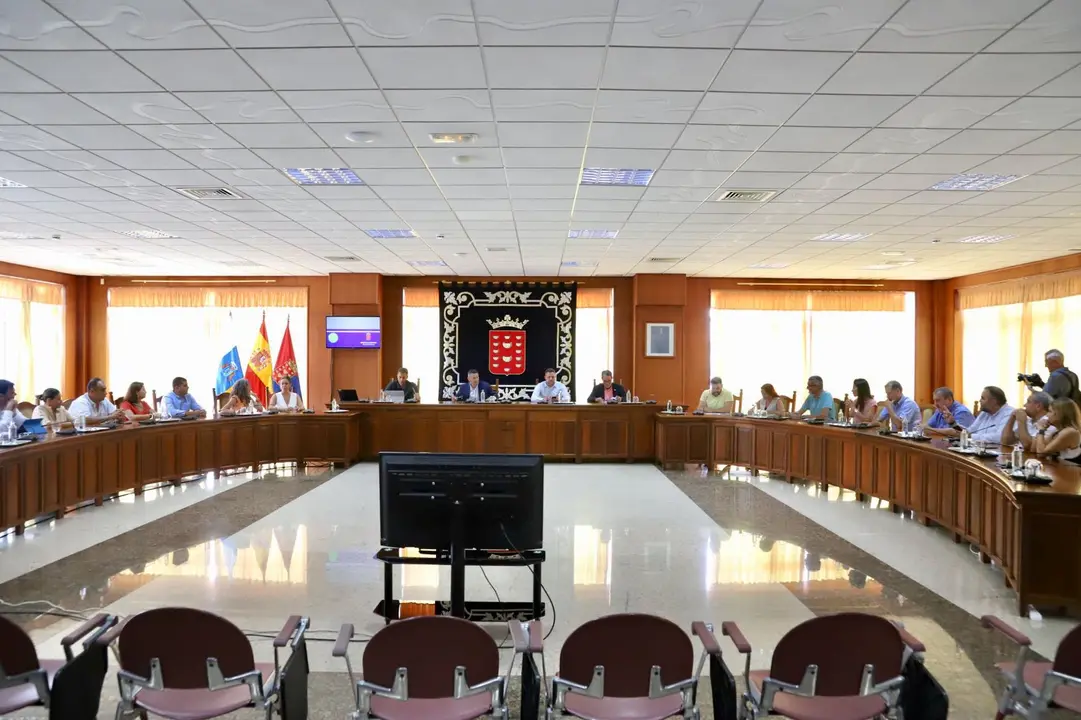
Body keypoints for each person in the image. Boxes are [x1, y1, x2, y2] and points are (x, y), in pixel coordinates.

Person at [1033, 397, 1081, 463]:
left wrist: (1041, 430)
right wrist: (1040, 430)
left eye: (1050, 411)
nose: (1047, 415)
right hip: (1059, 469)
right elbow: (1034, 449)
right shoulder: (1056, 431)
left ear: (1059, 414)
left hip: (1071, 471)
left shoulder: (1070, 432)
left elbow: (1041, 453)